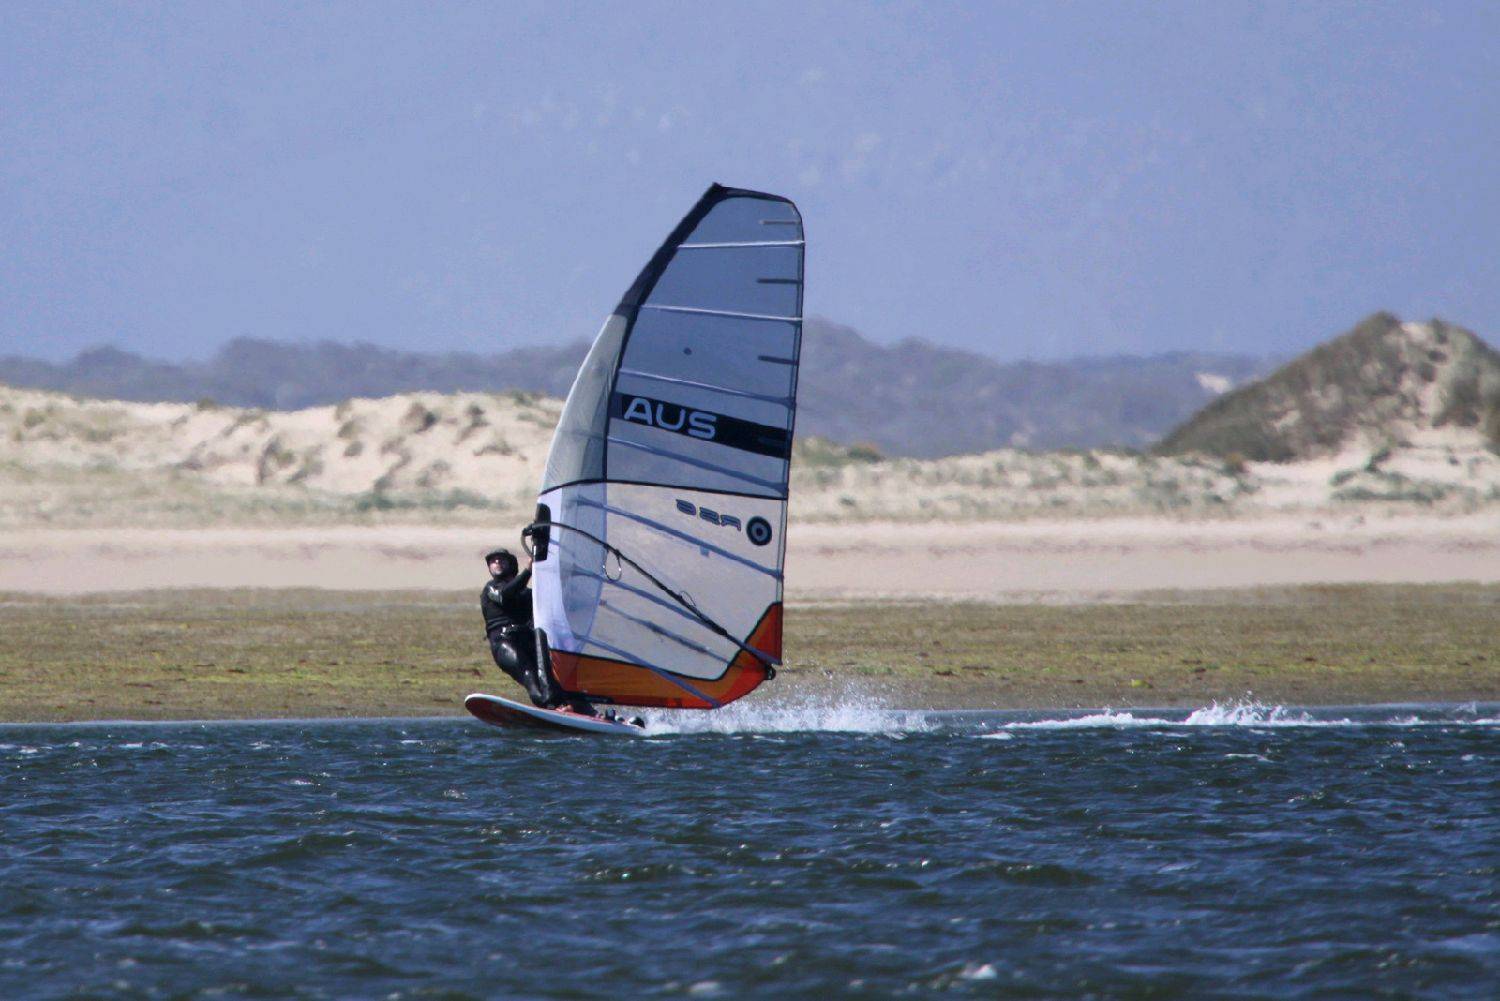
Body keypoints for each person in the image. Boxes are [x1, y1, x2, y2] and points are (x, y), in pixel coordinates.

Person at [480, 547, 598, 717]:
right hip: (504, 643)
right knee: (529, 673)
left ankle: (580, 708)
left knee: (555, 674)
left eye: (501, 560)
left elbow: (554, 605)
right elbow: (505, 596)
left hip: (528, 640)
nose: (496, 562)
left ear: (511, 565)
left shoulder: (528, 595)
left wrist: (588, 602)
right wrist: (529, 571)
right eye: (493, 560)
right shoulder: (491, 589)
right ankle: (548, 705)